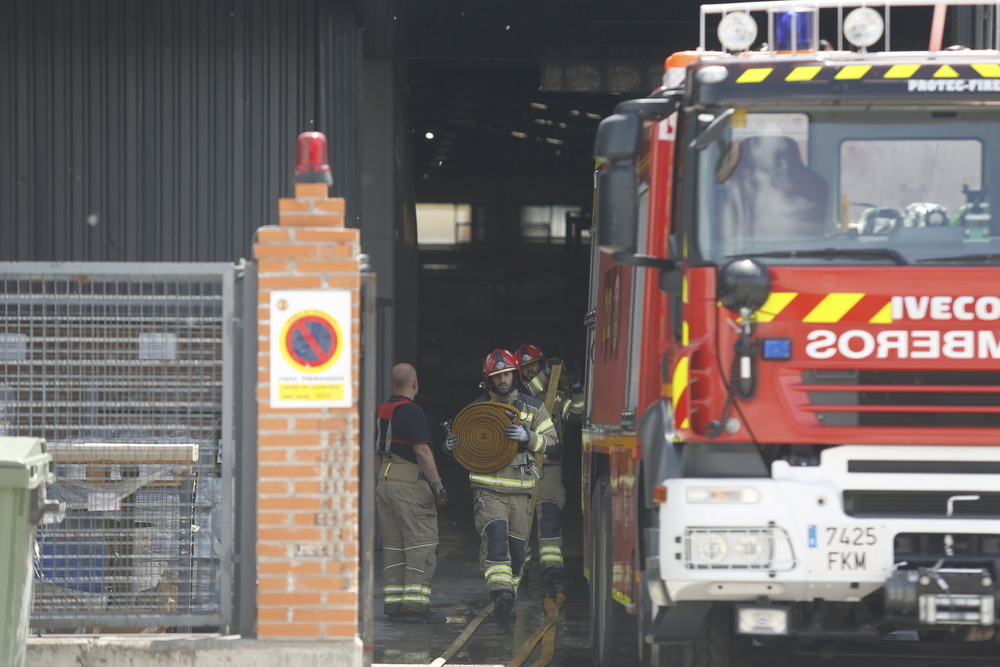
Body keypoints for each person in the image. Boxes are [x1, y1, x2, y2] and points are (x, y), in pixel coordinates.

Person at [444, 349, 559, 618]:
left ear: (514, 374)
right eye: (497, 376)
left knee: (517, 553)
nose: (503, 379)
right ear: (489, 379)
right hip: (489, 491)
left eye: (506, 373)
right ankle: (500, 591)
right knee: (496, 539)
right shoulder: (476, 410)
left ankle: (508, 596)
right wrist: (449, 446)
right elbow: (464, 447)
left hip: (520, 493)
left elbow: (553, 443)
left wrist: (527, 437)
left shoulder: (533, 407)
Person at [375, 363, 448, 623]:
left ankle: (394, 606)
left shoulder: (383, 410)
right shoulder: (412, 411)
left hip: (385, 480)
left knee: (394, 545)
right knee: (421, 543)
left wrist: (383, 480)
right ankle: (415, 608)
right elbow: (422, 450)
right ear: (415, 384)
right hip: (408, 484)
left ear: (391, 384)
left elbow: (377, 451)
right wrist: (437, 484)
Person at [515, 344, 584, 586]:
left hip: (550, 470)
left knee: (549, 518)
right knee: (520, 521)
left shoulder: (554, 393)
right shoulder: (518, 394)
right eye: (525, 367)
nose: (530, 370)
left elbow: (576, 414)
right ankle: (519, 571)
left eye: (534, 364)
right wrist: (548, 370)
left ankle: (552, 570)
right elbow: (531, 391)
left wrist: (576, 386)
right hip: (523, 468)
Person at [722, 134, 829, 238]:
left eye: (787, 156)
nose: (784, 165)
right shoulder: (738, 188)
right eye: (777, 156)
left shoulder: (812, 186)